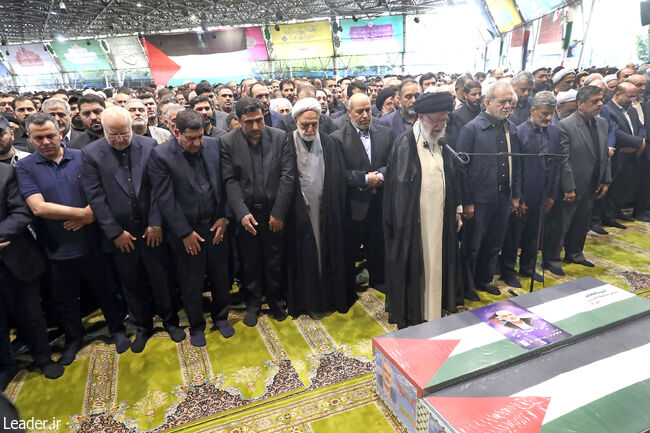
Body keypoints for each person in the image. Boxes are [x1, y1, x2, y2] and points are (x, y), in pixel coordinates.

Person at [15, 113, 128, 364]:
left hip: (92, 242)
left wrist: (91, 217)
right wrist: (85, 213)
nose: (45, 142)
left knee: (106, 289)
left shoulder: (82, 156)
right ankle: (74, 338)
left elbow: (103, 192)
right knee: (64, 298)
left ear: (60, 131)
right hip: (55, 246)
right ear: (30, 139)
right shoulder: (24, 167)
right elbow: (38, 208)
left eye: (50, 135)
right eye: (38, 137)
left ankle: (117, 330)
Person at [81, 106, 186, 352]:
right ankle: (142, 327)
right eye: (113, 134)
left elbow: (160, 189)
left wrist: (156, 223)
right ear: (104, 130)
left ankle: (170, 321)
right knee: (131, 281)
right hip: (121, 234)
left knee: (162, 277)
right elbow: (95, 197)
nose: (119, 140)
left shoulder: (148, 146)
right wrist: (114, 232)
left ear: (132, 127)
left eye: (124, 134)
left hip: (153, 228)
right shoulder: (91, 153)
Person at [149, 109, 233, 344]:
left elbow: (227, 183)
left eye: (200, 137)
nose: (197, 143)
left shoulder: (214, 145)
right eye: (190, 138)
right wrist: (185, 233)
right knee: (191, 280)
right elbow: (165, 199)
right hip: (186, 231)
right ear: (177, 132)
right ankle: (196, 325)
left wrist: (225, 218)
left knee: (220, 276)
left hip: (216, 225)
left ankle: (222, 318)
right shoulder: (161, 155)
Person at [383, 92, 462, 328]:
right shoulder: (406, 143)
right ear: (421, 117)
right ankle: (416, 313)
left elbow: (452, 178)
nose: (440, 125)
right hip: (415, 224)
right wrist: (408, 220)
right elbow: (398, 191)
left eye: (444, 119)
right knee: (419, 266)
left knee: (438, 265)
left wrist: (456, 209)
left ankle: (435, 310)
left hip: (441, 218)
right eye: (436, 120)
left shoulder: (442, 142)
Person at [220, 97, 295, 327]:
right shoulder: (227, 142)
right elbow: (230, 180)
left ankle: (275, 301)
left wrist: (279, 211)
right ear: (239, 121)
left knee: (274, 259)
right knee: (249, 261)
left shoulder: (280, 137)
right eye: (248, 122)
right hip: (247, 215)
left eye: (259, 120)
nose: (255, 127)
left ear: (264, 116)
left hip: (275, 212)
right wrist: (241, 213)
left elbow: (287, 176)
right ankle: (253, 304)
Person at [284, 98, 352, 317]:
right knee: (304, 257)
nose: (310, 129)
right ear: (295, 121)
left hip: (327, 211)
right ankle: (307, 302)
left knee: (328, 252)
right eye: (305, 125)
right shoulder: (286, 143)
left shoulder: (331, 143)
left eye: (314, 124)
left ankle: (330, 298)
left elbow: (339, 179)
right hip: (299, 214)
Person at [0, 161, 63, 390]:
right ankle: (5, 366)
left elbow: (21, 212)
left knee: (31, 314)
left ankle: (43, 359)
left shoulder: (5, 172)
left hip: (14, 257)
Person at [457, 81, 522, 300]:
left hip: (503, 196)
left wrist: (516, 195)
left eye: (510, 102)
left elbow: (517, 164)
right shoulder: (472, 129)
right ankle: (466, 286)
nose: (507, 106)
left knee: (495, 243)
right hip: (479, 200)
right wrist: (466, 201)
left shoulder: (511, 127)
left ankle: (484, 280)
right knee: (473, 246)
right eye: (502, 102)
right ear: (487, 102)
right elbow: (461, 169)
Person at [543, 86, 611, 276]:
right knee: (561, 223)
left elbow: (604, 154)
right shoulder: (564, 125)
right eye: (595, 101)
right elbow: (562, 159)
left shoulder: (602, 123)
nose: (600, 104)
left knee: (582, 221)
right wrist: (568, 187)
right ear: (581, 104)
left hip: (592, 182)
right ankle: (552, 259)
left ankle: (574, 253)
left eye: (601, 100)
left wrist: (605, 178)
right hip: (571, 185)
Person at [331, 93, 393, 291]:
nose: (365, 115)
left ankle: (379, 280)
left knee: (378, 245)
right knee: (350, 249)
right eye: (360, 111)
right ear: (349, 112)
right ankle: (348, 287)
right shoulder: (337, 138)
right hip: (354, 204)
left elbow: (393, 164)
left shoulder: (385, 133)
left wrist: (379, 177)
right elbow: (339, 173)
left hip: (381, 202)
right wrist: (366, 179)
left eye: (368, 110)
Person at [499, 92, 561, 288]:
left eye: (551, 113)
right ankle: (508, 272)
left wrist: (552, 194)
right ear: (532, 110)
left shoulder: (554, 132)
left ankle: (528, 267)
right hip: (524, 194)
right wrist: (519, 197)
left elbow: (556, 165)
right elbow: (516, 168)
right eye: (544, 113)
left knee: (534, 234)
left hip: (543, 194)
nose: (548, 118)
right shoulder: (518, 132)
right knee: (513, 235)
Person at [600, 82, 646, 228]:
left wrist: (640, 141)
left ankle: (618, 211)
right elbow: (616, 133)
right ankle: (608, 216)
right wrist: (640, 142)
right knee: (614, 186)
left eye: (634, 97)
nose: (632, 100)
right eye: (629, 96)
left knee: (624, 185)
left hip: (631, 154)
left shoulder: (631, 110)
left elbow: (641, 127)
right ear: (618, 94)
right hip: (618, 154)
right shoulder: (608, 110)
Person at [447, 80, 482, 147]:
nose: (478, 97)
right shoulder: (456, 115)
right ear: (465, 95)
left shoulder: (485, 112)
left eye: (479, 94)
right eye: (474, 94)